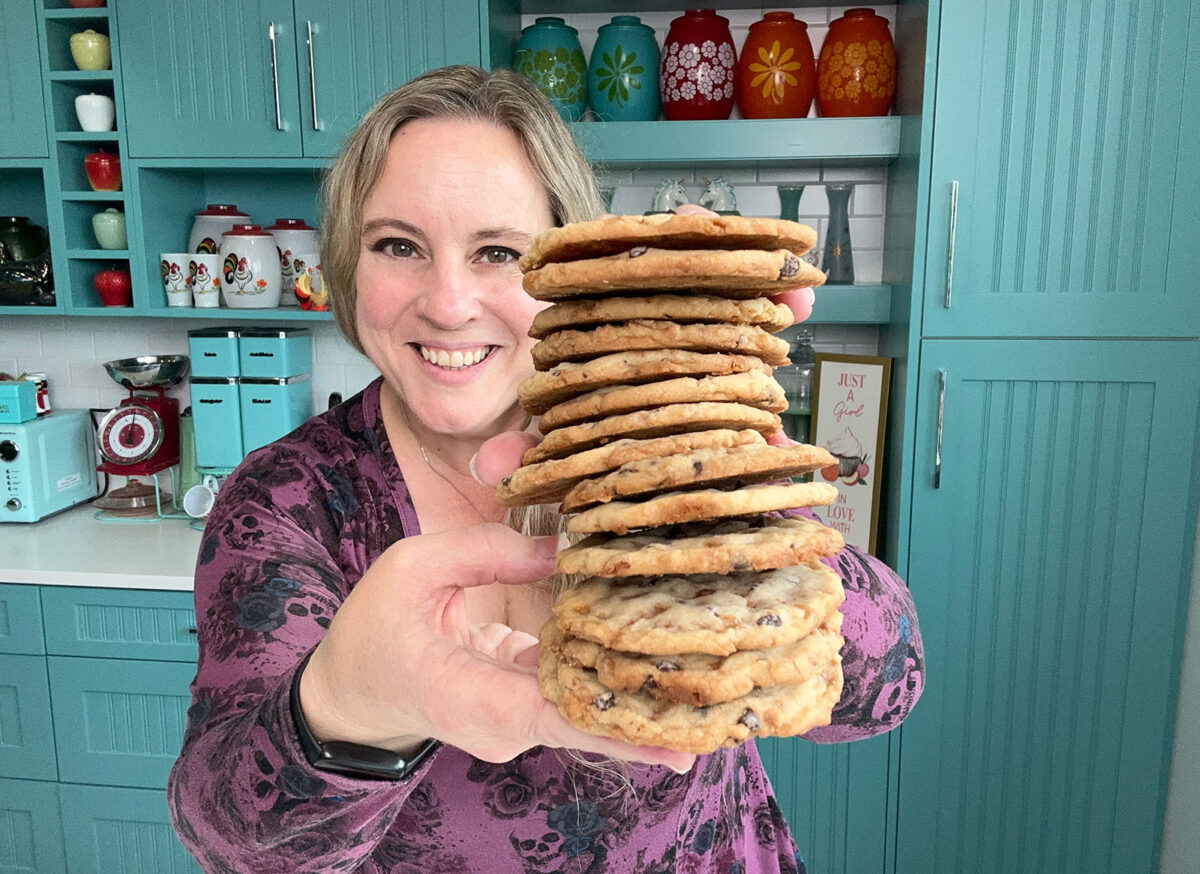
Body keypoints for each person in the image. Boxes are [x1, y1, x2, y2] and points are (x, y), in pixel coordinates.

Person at [167, 65, 923, 874]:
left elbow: (888, 686)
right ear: (349, 263)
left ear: (574, 274)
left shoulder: (666, 452)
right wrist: (351, 704)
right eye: (398, 245)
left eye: (497, 251)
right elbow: (229, 839)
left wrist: (732, 494)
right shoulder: (286, 501)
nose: (449, 302)